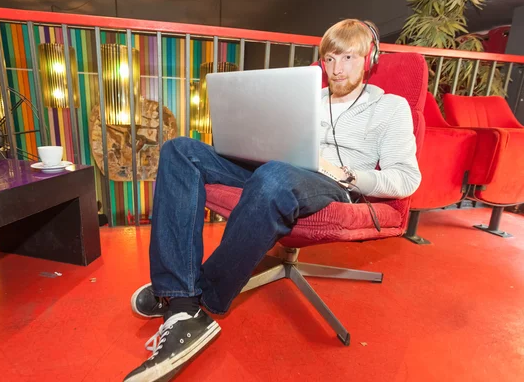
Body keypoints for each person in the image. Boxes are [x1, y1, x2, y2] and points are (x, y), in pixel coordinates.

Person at [123, 19, 422, 382]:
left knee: (275, 175)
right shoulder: (307, 97)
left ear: (369, 59)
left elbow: (407, 179)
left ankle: (198, 300)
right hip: (274, 168)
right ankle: (179, 295)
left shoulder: (390, 107)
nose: (337, 69)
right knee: (180, 149)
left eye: (348, 57)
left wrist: (347, 174)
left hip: (332, 182)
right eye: (330, 59)